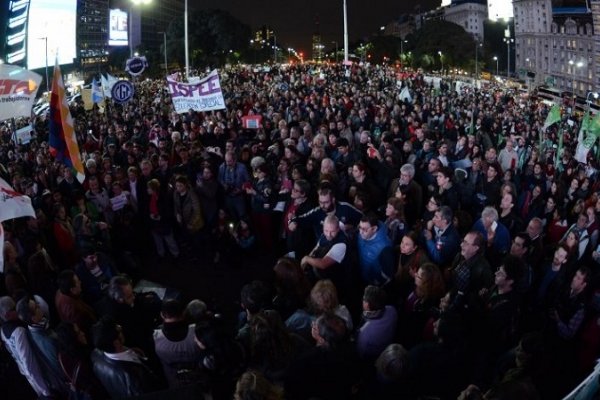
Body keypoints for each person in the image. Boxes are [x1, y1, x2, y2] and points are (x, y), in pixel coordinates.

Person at [91, 315, 161, 398]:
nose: (120, 326)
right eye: (119, 331)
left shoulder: (96, 354)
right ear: (116, 343)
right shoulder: (131, 377)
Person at [0, 296, 54, 398]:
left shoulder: (3, 330)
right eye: (13, 308)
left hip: (32, 380)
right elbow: (29, 364)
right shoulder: (19, 332)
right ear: (7, 315)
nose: (17, 309)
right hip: (41, 380)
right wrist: (46, 391)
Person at [153, 298, 202, 388]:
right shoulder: (198, 331)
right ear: (184, 313)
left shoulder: (155, 336)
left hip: (175, 386)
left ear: (162, 315)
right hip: (200, 381)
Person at [300, 215, 352, 297]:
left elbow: (323, 264)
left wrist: (306, 259)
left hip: (336, 281)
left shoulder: (341, 244)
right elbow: (316, 248)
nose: (329, 234)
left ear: (338, 229)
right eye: (326, 230)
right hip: (323, 276)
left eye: (332, 231)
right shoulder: (324, 235)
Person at [356, 285, 398, 361]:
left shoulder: (365, 332)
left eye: (364, 299)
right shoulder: (392, 310)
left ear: (367, 305)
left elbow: (361, 352)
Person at [356, 213, 395, 287]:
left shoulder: (385, 247)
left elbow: (388, 273)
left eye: (364, 229)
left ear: (374, 229)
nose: (360, 232)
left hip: (373, 283)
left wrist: (377, 283)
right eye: (359, 227)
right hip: (363, 274)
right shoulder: (362, 234)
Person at [55, 269, 97, 335]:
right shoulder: (74, 310)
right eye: (78, 282)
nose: (80, 282)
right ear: (72, 289)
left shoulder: (60, 292)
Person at [422, 206, 461, 270]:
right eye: (434, 216)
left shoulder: (451, 239)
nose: (433, 219)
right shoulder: (435, 226)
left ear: (444, 221)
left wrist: (429, 240)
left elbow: (439, 259)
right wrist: (427, 229)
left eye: (436, 217)